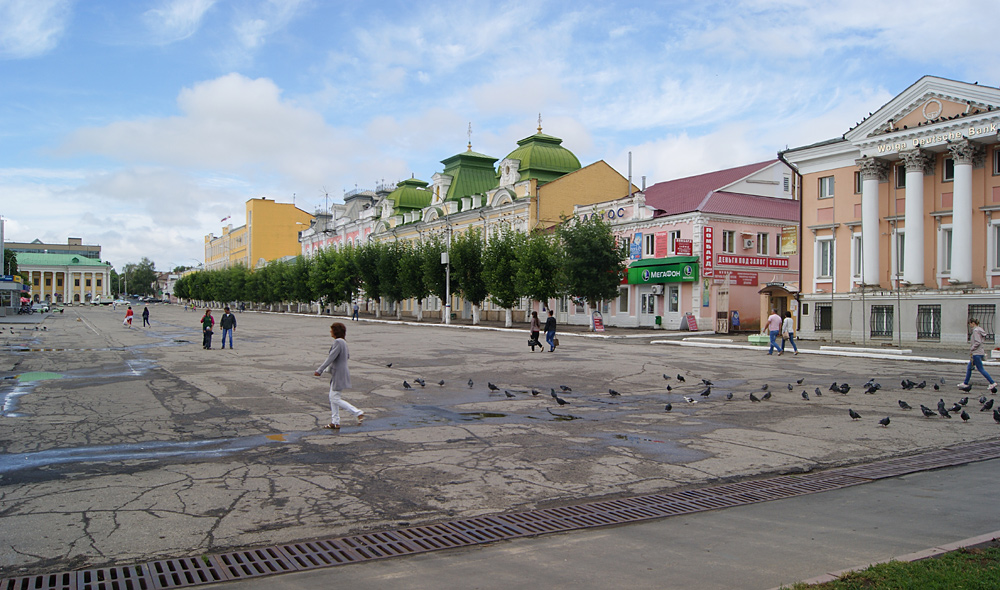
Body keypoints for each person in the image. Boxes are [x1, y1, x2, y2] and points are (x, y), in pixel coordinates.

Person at [314, 322, 364, 430]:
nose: (330, 331)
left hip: (339, 374)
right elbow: (346, 356)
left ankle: (357, 412)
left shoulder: (337, 342)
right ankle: (335, 422)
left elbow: (330, 358)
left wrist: (320, 370)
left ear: (335, 331)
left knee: (335, 398)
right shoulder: (343, 342)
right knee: (333, 398)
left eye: (331, 329)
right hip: (340, 372)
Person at [959, 318, 998, 393]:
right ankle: (965, 383)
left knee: (980, 369)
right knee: (969, 368)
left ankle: (992, 382)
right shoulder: (980, 330)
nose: (969, 325)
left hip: (976, 353)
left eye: (970, 324)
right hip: (979, 352)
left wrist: (972, 348)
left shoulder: (976, 331)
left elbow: (978, 342)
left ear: (973, 323)